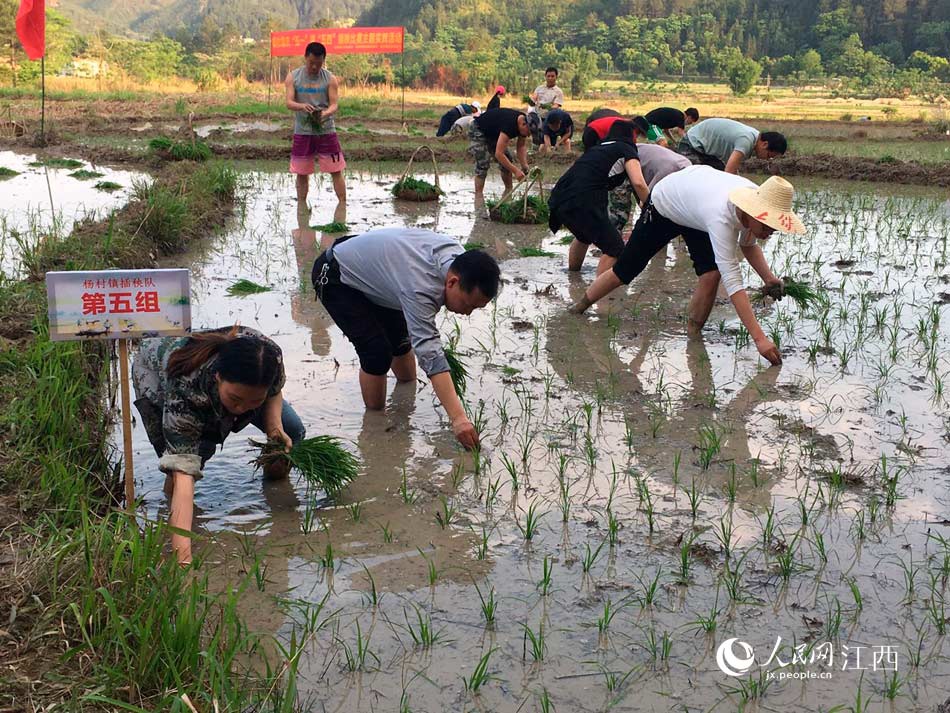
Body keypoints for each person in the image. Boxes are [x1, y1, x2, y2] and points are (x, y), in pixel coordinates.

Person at [569, 167, 806, 367]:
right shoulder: (720, 216)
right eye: (766, 226)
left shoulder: (758, 204)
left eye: (773, 228)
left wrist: (769, 278)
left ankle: (693, 334)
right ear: (752, 212)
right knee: (626, 271)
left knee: (710, 274)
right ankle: (580, 306)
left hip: (696, 208)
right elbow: (734, 282)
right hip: (666, 202)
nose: (769, 232)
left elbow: (748, 243)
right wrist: (760, 339)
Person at [312, 227, 500, 449]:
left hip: (384, 275)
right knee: (377, 352)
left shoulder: (460, 260)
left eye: (476, 308)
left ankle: (405, 399)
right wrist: (459, 418)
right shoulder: (420, 287)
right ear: (452, 282)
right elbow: (430, 353)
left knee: (400, 343)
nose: (468, 313)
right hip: (337, 276)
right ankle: (375, 425)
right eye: (468, 305)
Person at [132, 326, 305, 565]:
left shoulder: (269, 356)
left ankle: (275, 484)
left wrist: (274, 427)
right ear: (218, 377)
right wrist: (183, 562)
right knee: (189, 462)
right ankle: (172, 510)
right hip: (156, 373)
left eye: (254, 401)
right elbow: (184, 469)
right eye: (235, 400)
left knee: (292, 431)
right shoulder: (186, 388)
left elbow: (274, 390)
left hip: (233, 381)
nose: (242, 409)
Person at [548, 120, 649, 275]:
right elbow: (638, 183)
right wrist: (651, 207)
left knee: (583, 236)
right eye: (636, 135)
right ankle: (601, 295)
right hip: (583, 200)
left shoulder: (598, 148)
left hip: (559, 197)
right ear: (631, 135)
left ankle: (573, 277)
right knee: (615, 248)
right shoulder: (626, 149)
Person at [285, 42, 346, 207]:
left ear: (323, 61)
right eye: (311, 63)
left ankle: (342, 206)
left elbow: (334, 104)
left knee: (336, 170)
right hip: (303, 131)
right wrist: (302, 106)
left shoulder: (330, 79)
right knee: (302, 172)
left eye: (318, 64)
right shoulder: (293, 77)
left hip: (325, 129)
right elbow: (289, 102)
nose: (314, 67)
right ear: (305, 58)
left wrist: (325, 113)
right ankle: (302, 207)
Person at [606, 142, 692, 235]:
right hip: (624, 162)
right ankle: (612, 245)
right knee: (620, 214)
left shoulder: (688, 167)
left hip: (644, 163)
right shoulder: (667, 174)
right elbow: (647, 202)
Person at [677, 117, 787, 174]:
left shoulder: (754, 138)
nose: (767, 159)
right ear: (765, 144)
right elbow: (729, 171)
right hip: (691, 144)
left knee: (717, 176)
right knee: (693, 177)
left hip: (706, 152)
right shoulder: (747, 140)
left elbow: (732, 169)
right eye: (769, 155)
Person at [468, 107, 531, 198]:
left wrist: (524, 166)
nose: (528, 135)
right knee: (483, 163)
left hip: (494, 133)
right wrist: (516, 171)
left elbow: (521, 147)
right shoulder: (510, 124)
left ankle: (508, 191)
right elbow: (499, 154)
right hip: (478, 129)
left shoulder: (524, 123)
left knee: (507, 160)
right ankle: (478, 196)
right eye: (529, 132)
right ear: (523, 124)